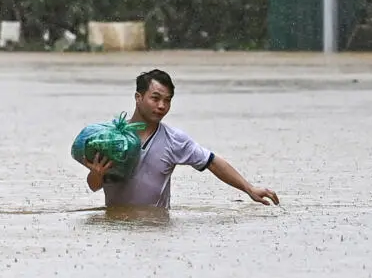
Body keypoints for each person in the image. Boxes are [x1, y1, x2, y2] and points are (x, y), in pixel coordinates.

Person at [80, 69, 279, 209]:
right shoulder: (113, 139)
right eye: (155, 98)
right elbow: (94, 185)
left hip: (157, 229)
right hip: (118, 231)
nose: (161, 106)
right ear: (138, 97)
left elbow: (212, 161)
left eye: (167, 101)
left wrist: (249, 189)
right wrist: (96, 173)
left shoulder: (174, 141)